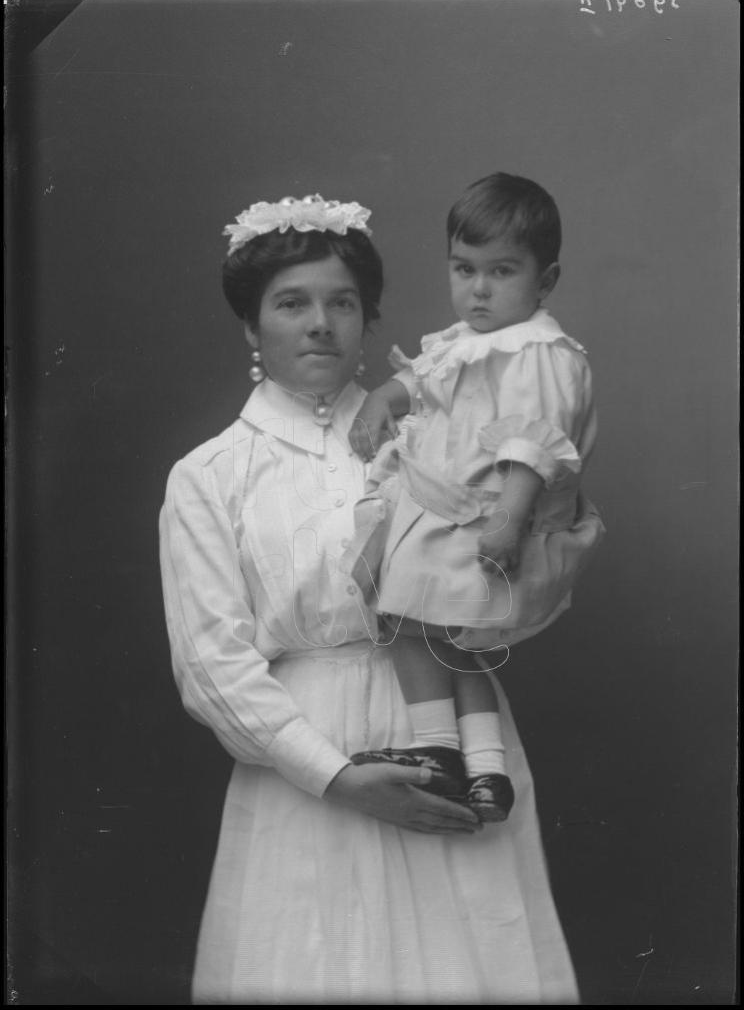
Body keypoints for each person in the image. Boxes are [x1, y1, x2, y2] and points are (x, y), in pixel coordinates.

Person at [159, 193, 580, 1004]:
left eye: (342, 302)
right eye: (291, 304)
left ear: (369, 319)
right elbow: (213, 666)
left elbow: (512, 574)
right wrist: (335, 777)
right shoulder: (210, 476)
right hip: (308, 762)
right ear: (252, 328)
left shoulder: (447, 434)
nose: (320, 323)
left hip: (456, 733)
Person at [344, 173, 605, 823]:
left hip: (483, 524)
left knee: (408, 625)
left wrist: (511, 519)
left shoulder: (539, 353)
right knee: (451, 646)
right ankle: (487, 769)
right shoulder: (469, 341)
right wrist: (384, 396)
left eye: (502, 271)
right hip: (446, 518)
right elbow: (423, 379)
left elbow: (533, 444)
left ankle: (438, 749)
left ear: (544, 281)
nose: (479, 289)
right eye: (464, 269)